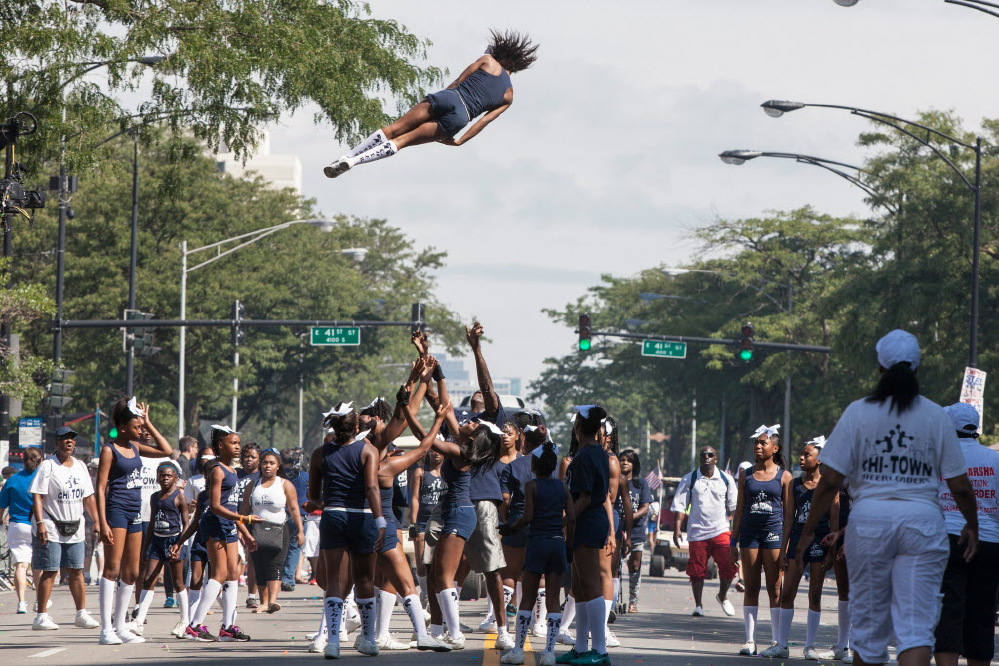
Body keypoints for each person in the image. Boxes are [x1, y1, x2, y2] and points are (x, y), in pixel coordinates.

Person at [795, 330, 979, 666]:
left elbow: (828, 483)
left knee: (868, 629)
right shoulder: (935, 415)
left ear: (880, 368)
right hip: (922, 525)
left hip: (870, 526)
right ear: (917, 369)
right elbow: (961, 486)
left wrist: (807, 532)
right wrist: (972, 525)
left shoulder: (858, 412)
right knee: (916, 630)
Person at [323, 30, 538, 178]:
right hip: (461, 118)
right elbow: (483, 122)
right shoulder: (509, 95)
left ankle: (350, 157)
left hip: (451, 97)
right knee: (402, 141)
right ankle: (351, 163)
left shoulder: (487, 61)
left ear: (499, 54)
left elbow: (457, 82)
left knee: (394, 128)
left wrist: (443, 97)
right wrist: (460, 141)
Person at [308, 402, 387, 659]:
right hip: (363, 517)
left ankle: (332, 642)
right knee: (365, 580)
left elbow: (312, 495)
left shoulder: (320, 453)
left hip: (333, 517)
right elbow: (372, 489)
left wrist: (329, 505)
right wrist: (381, 521)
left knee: (334, 582)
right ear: (356, 426)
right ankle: (368, 639)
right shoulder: (368, 450)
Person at [95, 398, 172, 645]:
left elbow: (166, 451)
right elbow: (100, 488)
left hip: (135, 512)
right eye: (138, 426)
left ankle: (120, 627)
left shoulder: (136, 448)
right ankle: (106, 629)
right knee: (112, 569)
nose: (142, 431)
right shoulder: (110, 450)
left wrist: (148, 421)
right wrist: (102, 522)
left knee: (132, 571)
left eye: (142, 426)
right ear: (124, 427)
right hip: (116, 511)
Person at [933, 402, 999, 666]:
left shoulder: (937, 458)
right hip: (990, 542)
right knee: (982, 614)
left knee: (948, 612)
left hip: (947, 538)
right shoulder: (995, 459)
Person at [183, 425, 260, 643]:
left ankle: (227, 627)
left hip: (229, 525)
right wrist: (245, 520)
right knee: (218, 574)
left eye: (238, 442)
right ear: (220, 445)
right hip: (215, 523)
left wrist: (245, 532)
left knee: (233, 574)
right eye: (233, 443)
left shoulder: (233, 471)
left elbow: (232, 507)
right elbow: (215, 506)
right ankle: (194, 625)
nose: (238, 447)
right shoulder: (217, 470)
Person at [501, 441, 574, 666]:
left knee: (528, 598)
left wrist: (511, 527)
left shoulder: (532, 486)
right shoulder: (562, 487)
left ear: (534, 465)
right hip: (556, 543)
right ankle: (550, 653)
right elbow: (570, 517)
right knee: (553, 598)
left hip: (537, 542)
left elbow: (528, 516)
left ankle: (518, 650)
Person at [770, 437, 839, 660]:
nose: (801, 457)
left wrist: (831, 551)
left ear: (819, 460)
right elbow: (788, 518)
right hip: (798, 542)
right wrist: (783, 549)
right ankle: (781, 644)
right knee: (787, 593)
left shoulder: (829, 486)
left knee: (815, 595)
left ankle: (810, 645)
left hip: (820, 543)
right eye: (801, 453)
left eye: (807, 454)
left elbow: (834, 520)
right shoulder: (794, 485)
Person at [29, 426, 101, 632]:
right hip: (51, 524)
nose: (68, 442)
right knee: (51, 570)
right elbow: (37, 496)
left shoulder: (80, 466)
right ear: (57, 443)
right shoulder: (47, 466)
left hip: (75, 525)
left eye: (72, 439)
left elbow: (88, 497)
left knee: (76, 570)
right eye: (64, 439)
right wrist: (41, 523)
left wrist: (96, 521)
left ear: (75, 443)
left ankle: (81, 613)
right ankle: (41, 616)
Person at [558, 404, 613, 666]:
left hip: (587, 523)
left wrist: (566, 520)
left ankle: (600, 651)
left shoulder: (586, 456)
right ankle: (581, 648)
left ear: (578, 427)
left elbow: (585, 497)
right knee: (579, 586)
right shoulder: (596, 452)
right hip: (587, 523)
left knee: (590, 585)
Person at [730, 424, 792, 657]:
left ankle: (777, 641)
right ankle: (750, 640)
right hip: (749, 535)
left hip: (774, 534)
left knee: (775, 588)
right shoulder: (746, 475)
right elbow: (739, 510)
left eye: (762, 442)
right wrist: (733, 541)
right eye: (756, 442)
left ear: (774, 448)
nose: (757, 446)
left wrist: (786, 543)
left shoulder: (784, 476)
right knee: (751, 587)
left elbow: (788, 513)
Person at [671, 446, 738, 619]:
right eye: (703, 455)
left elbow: (735, 507)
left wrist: (737, 532)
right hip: (697, 533)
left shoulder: (726, 479)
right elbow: (680, 505)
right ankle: (698, 605)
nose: (706, 458)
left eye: (710, 455)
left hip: (720, 529)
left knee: (729, 565)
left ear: (716, 458)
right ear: (699, 459)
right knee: (696, 570)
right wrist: (677, 528)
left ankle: (722, 595)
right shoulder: (690, 479)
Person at [240, 448, 304, 614]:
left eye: (272, 463)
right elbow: (244, 510)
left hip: (279, 530)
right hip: (256, 531)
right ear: (260, 465)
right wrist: (243, 530)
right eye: (265, 463)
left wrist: (300, 531)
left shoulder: (284, 484)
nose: (268, 466)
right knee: (259, 565)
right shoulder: (253, 485)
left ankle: (273, 601)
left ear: (278, 466)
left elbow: (294, 509)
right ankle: (263, 602)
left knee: (275, 565)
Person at [133, 461, 189, 637]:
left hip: (173, 541)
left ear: (175, 479)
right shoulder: (155, 497)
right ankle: (139, 621)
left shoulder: (179, 497)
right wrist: (145, 549)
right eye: (162, 475)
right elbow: (150, 525)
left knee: (178, 582)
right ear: (157, 477)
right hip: (157, 542)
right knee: (148, 579)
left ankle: (184, 621)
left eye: (169, 476)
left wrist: (179, 544)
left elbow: (186, 524)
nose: (165, 478)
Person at [0, 446, 42, 614]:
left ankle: (22, 602)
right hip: (38, 525)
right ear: (39, 461)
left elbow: (1, 506)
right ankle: (40, 601)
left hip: (17, 525)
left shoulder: (12, 480)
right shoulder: (41, 478)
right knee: (38, 565)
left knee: (21, 565)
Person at [617, 449, 652, 614]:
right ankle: (614, 600)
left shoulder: (641, 484)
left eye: (628, 460)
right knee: (616, 566)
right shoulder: (614, 481)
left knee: (635, 565)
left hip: (636, 532)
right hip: (617, 530)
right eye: (622, 460)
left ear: (634, 464)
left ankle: (633, 601)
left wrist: (629, 516)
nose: (625, 463)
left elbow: (645, 507)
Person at [411, 445, 446, 604]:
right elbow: (415, 499)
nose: (436, 453)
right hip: (423, 522)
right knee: (422, 565)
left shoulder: (448, 472)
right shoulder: (420, 472)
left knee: (440, 565)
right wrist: (413, 524)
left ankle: (437, 601)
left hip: (443, 523)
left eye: (439, 450)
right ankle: (425, 595)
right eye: (432, 450)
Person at [236, 442, 261, 609]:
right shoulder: (235, 474)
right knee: (234, 560)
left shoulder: (261, 478)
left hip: (252, 521)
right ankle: (226, 594)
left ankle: (252, 596)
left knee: (252, 560)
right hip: (233, 519)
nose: (249, 460)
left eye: (253, 457)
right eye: (246, 456)